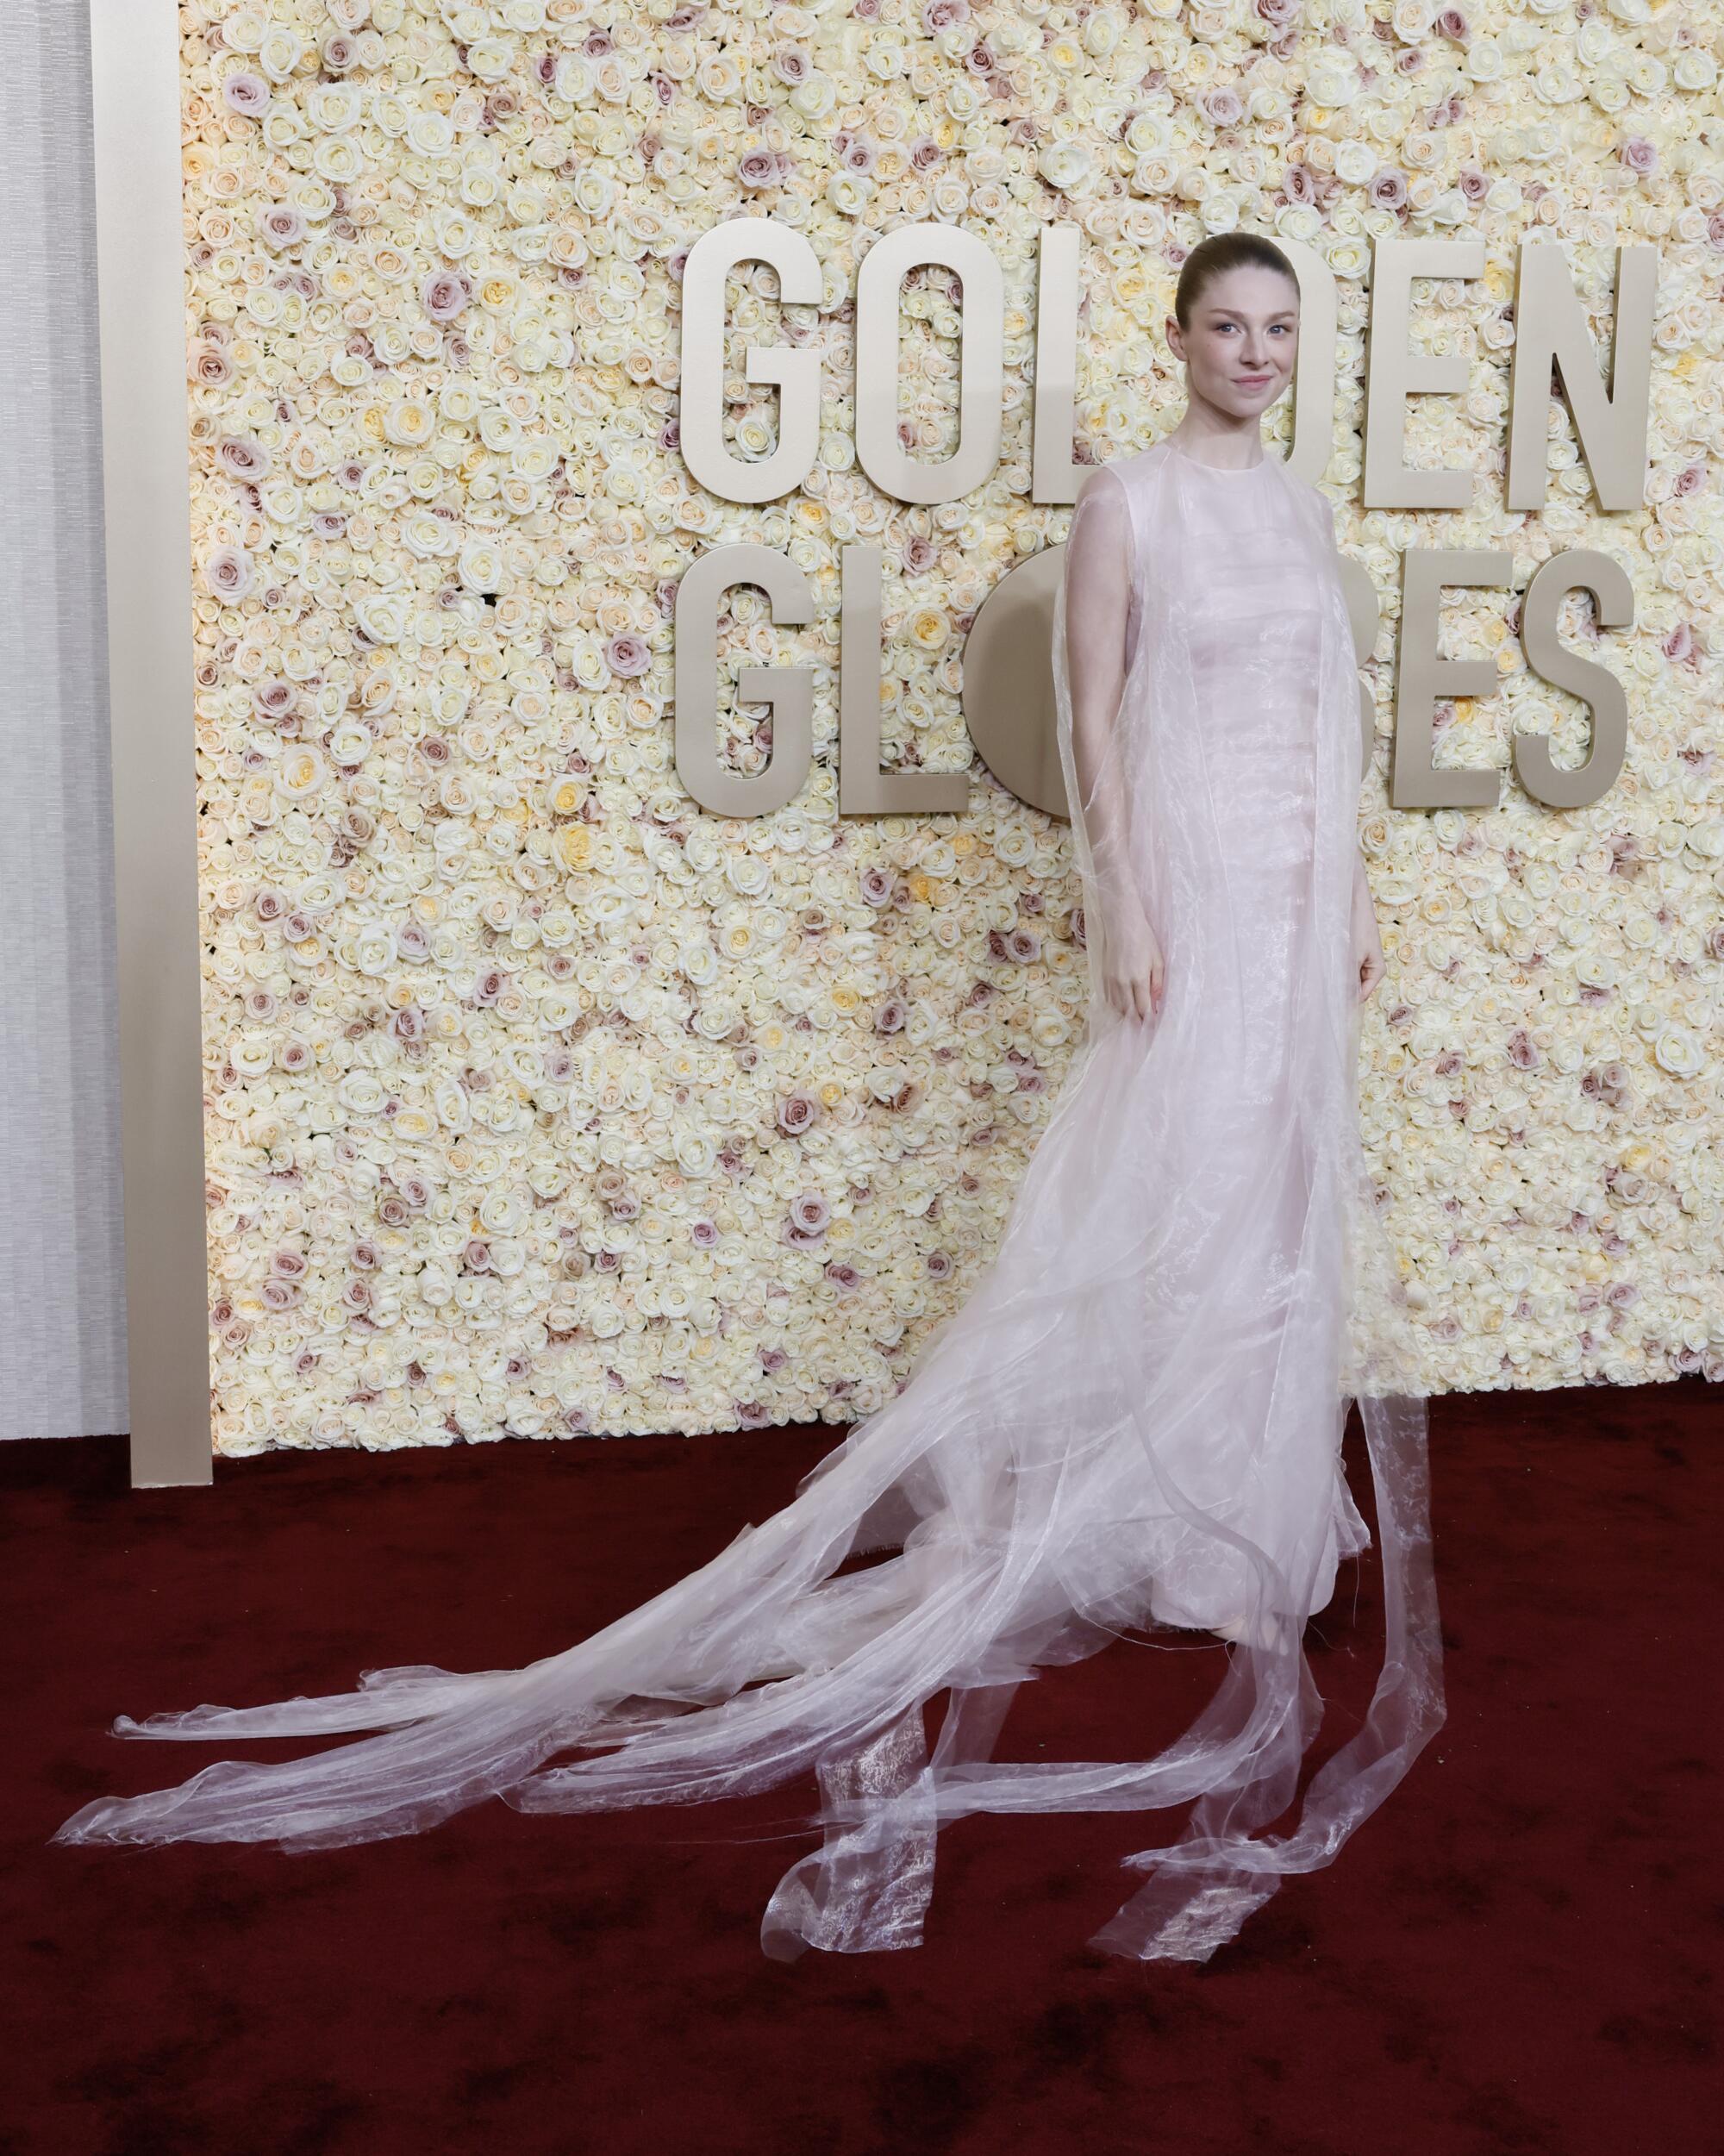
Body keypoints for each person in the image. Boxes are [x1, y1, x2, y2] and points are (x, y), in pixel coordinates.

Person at [54, 232, 1444, 1966]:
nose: (1254, 350)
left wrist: (1359, 899)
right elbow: (1092, 720)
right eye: (1227, 325)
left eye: (1279, 330)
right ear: (1174, 340)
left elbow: (1333, 712)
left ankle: (1235, 1528)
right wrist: (1132, 909)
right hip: (1197, 889)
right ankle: (1158, 1510)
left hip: (1304, 893)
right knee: (1181, 1175)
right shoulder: (1129, 506)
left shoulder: (1301, 511)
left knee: (1276, 1186)